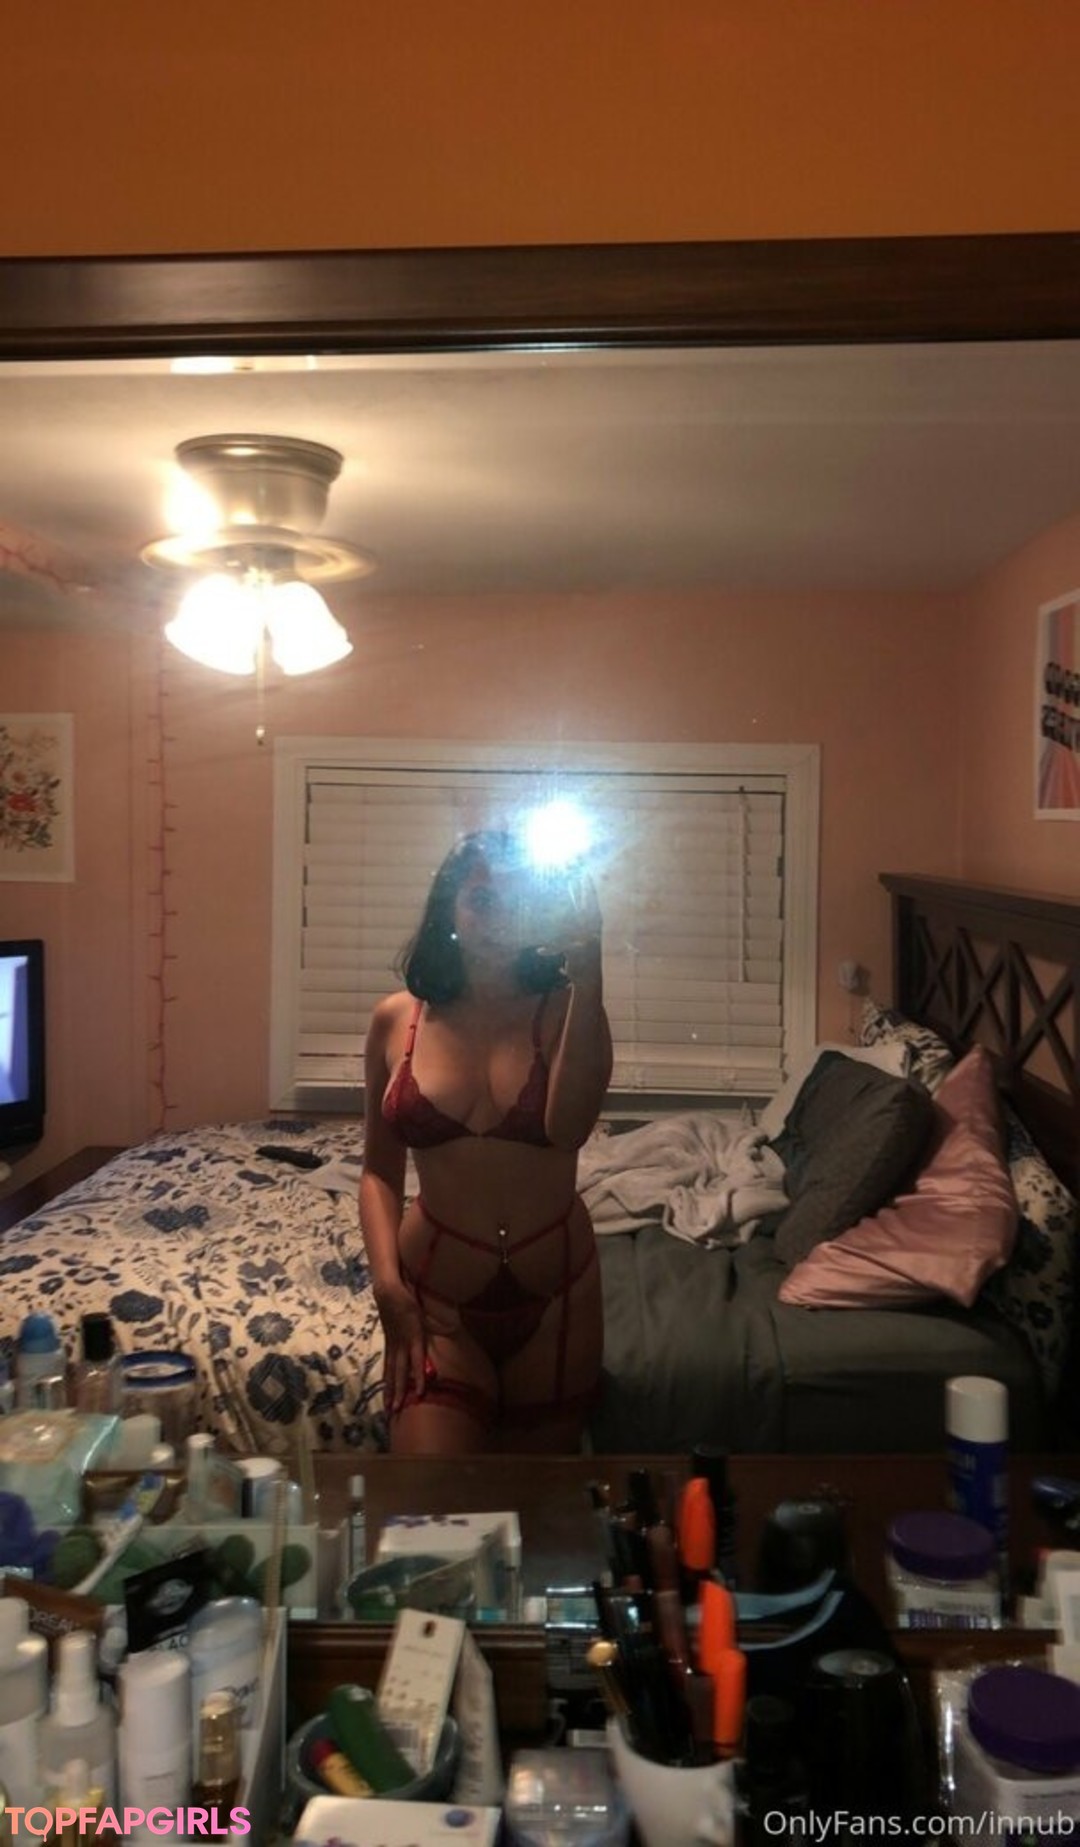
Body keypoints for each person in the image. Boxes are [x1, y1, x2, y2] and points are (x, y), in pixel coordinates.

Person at [360, 828, 612, 1454]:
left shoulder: (567, 1009)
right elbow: (378, 1172)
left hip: (557, 1300)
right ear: (448, 908)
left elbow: (569, 1129)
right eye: (482, 900)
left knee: (540, 1502)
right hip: (436, 1304)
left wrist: (590, 973)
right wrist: (387, 1287)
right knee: (428, 1498)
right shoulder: (396, 1019)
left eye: (518, 900)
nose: (500, 918)